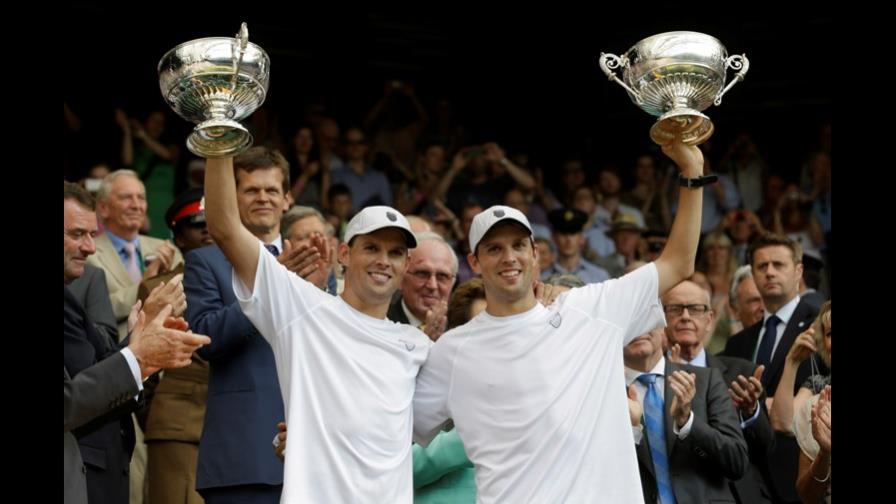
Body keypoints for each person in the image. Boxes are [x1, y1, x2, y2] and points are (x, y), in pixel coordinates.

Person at [413, 136, 707, 502]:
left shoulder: (592, 310)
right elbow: (395, 431)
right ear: (473, 263)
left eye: (519, 245)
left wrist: (691, 174)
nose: (509, 257)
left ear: (535, 253)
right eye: (494, 248)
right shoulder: (453, 351)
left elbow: (679, 262)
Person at [203, 147, 429, 502]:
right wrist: (219, 137)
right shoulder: (302, 308)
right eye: (371, 248)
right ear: (344, 254)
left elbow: (443, 422)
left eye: (395, 253)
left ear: (406, 265)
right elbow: (224, 227)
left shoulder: (417, 345)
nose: (383, 261)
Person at [65, 181, 208, 504]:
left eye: (91, 234)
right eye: (77, 234)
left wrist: (138, 344)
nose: (90, 248)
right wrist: (138, 354)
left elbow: (92, 372)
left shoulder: (70, 295)